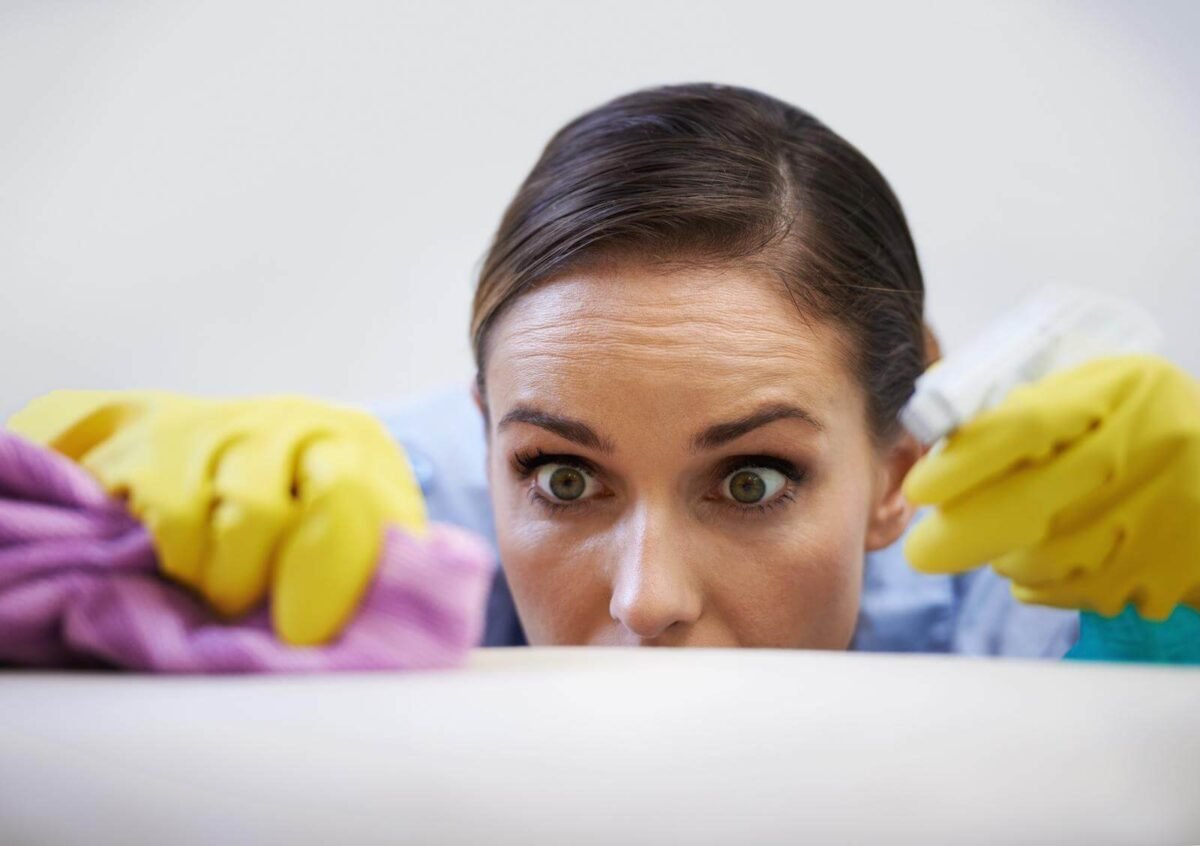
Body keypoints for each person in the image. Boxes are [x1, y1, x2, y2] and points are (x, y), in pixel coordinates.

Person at [9, 84, 1200, 656]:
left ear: (902, 465)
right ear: (486, 438)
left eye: (752, 480)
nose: (644, 602)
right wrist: (66, 515)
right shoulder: (365, 529)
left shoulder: (1037, 569)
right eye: (564, 479)